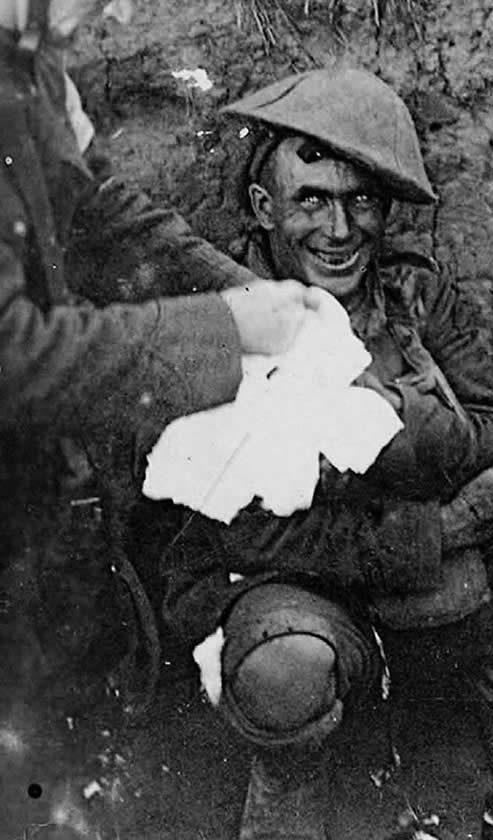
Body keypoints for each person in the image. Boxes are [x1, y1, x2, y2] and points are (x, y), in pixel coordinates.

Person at [161, 67, 493, 840]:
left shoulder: (412, 297)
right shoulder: (220, 328)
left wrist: (392, 410)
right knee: (283, 667)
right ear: (266, 210)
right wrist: (442, 526)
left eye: (360, 200)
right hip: (307, 598)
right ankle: (291, 770)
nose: (339, 231)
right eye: (311, 200)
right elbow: (244, 533)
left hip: (449, 590)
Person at [0, 0, 318, 833]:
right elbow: (11, 353)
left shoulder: (29, 65)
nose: (122, 10)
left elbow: (97, 210)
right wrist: (223, 330)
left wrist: (237, 290)